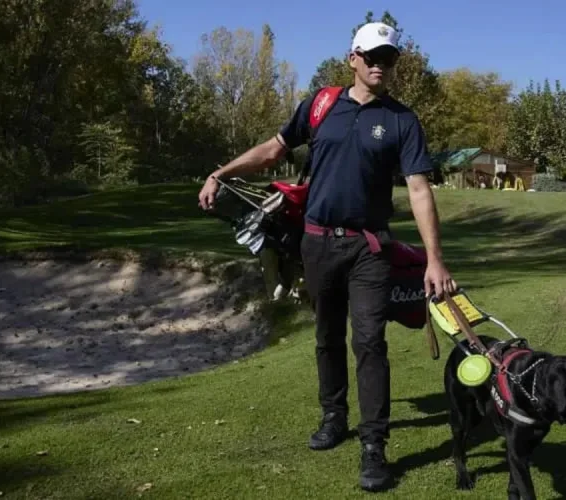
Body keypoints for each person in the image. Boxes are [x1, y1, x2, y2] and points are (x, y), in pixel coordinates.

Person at [198, 21, 456, 492]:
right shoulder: (321, 105)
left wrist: (435, 259)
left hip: (369, 248)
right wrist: (221, 171)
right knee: (326, 338)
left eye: (390, 58)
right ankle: (334, 417)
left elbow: (419, 190)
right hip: (315, 242)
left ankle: (374, 445)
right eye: (373, 56)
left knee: (370, 343)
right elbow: (274, 150)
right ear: (353, 57)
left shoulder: (402, 120)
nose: (381, 65)